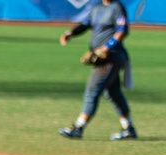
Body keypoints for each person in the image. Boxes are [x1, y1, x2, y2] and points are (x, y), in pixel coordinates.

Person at [58, 0, 137, 141]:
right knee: (114, 93)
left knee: (92, 92)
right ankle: (128, 128)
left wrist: (107, 47)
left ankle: (78, 128)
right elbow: (86, 24)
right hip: (100, 58)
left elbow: (122, 30)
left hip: (111, 57)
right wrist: (71, 33)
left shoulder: (117, 7)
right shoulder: (97, 7)